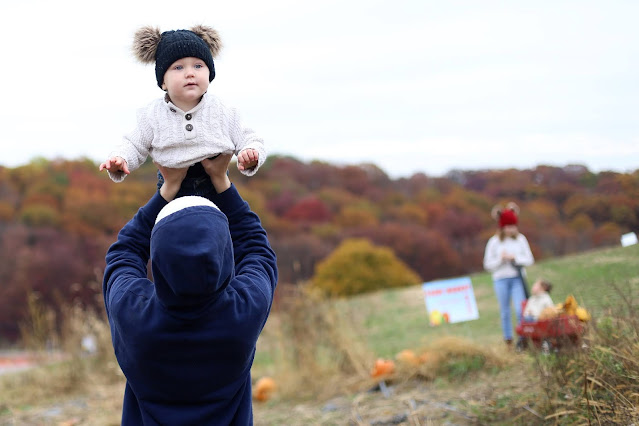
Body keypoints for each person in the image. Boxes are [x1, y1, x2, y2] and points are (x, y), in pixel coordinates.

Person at [102, 154, 278, 425]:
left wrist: (166, 191)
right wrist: (221, 181)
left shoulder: (132, 311)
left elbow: (124, 252)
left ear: (157, 253)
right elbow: (256, 248)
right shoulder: (244, 311)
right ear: (224, 253)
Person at [99, 25, 266, 198]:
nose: (190, 73)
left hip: (217, 188)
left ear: (210, 73)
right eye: (178, 68)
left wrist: (250, 152)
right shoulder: (152, 114)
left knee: (248, 226)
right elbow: (134, 144)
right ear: (163, 82)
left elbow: (250, 138)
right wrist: (120, 159)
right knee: (142, 226)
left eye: (198, 66)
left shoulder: (223, 110)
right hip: (171, 190)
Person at [483, 202, 534, 347]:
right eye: (508, 226)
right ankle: (508, 340)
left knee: (520, 309)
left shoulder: (520, 239)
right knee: (505, 311)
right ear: (502, 227)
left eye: (513, 226)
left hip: (517, 278)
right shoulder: (494, 242)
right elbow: (488, 264)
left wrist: (515, 259)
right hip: (501, 279)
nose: (511, 229)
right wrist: (501, 259)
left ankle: (523, 338)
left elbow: (529, 259)